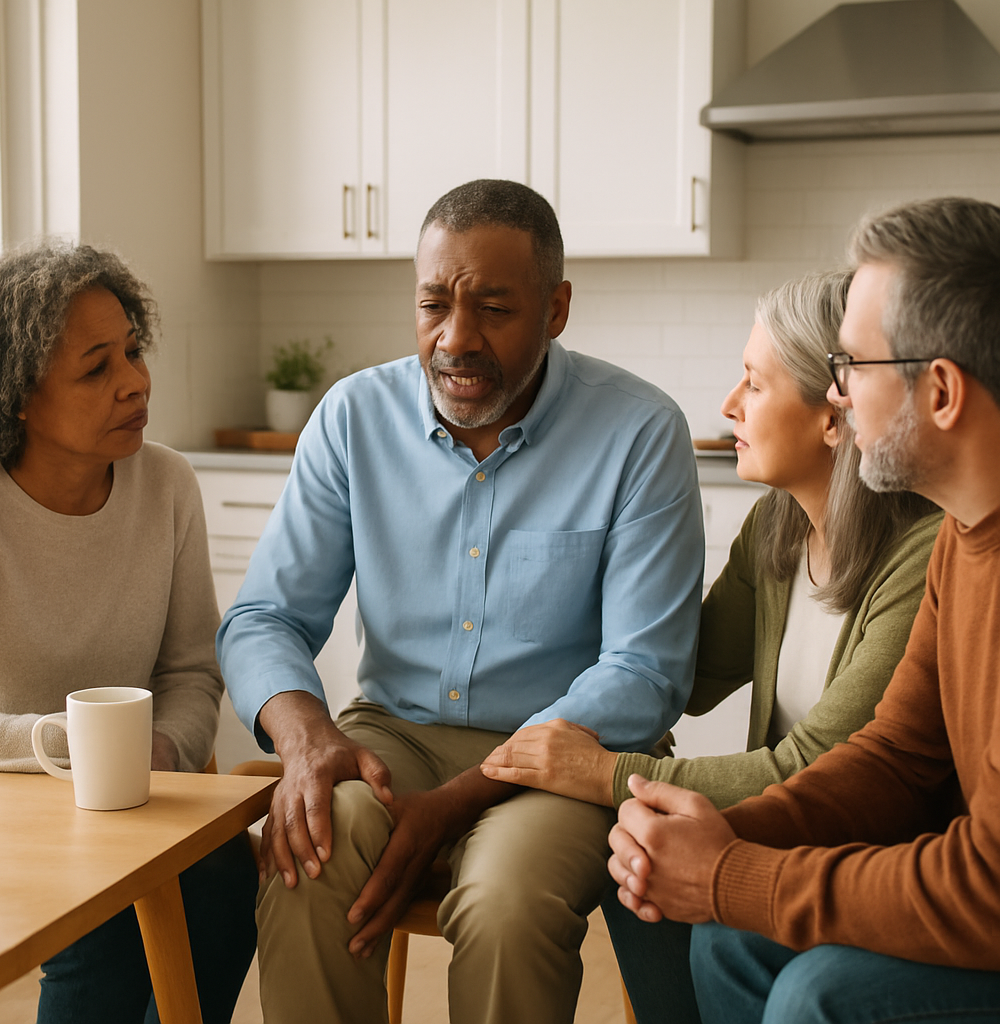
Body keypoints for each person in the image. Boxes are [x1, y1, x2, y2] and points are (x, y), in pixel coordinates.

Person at [217, 178, 705, 1024]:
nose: (455, 338)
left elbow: (645, 672)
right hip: (395, 731)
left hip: (564, 758)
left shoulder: (638, 432)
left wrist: (463, 795)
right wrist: (304, 741)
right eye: (434, 303)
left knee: (504, 902)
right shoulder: (351, 419)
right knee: (304, 858)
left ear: (555, 310)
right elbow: (267, 617)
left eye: (493, 309)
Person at [480, 270, 941, 1023]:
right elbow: (676, 672)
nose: (728, 405)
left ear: (834, 418)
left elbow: (813, 765)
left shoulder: (920, 559)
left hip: (862, 853)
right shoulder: (777, 529)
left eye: (754, 385)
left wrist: (606, 772)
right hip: (789, 833)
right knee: (633, 847)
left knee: (639, 829)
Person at [607, 196, 1000, 1024]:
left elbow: (986, 885)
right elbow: (894, 755)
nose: (840, 393)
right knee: (726, 940)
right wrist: (719, 837)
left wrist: (729, 873)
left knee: (816, 997)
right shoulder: (966, 539)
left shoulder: (939, 545)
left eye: (853, 366)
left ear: (940, 392)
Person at [0, 242, 258, 1024]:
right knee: (104, 923)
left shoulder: (166, 483)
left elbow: (193, 669)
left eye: (132, 351)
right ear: (20, 395)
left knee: (227, 878)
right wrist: (68, 744)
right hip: (8, 805)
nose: (135, 382)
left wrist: (164, 747)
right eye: (96, 368)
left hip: (139, 791)